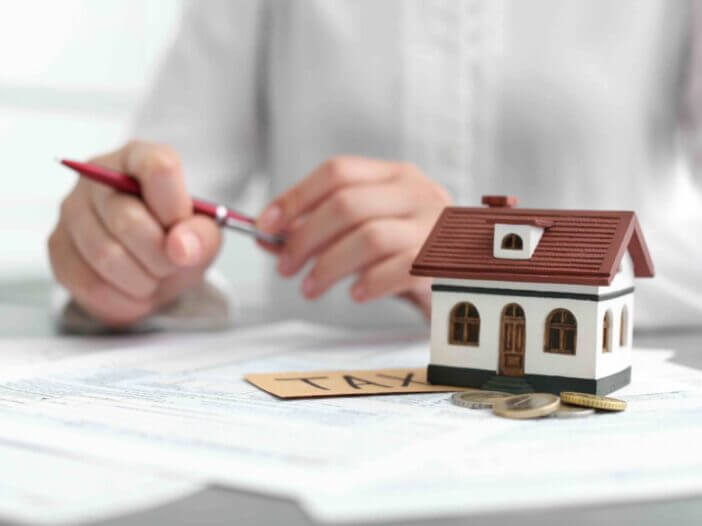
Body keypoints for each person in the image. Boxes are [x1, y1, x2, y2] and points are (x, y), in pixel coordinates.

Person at [48, 1, 702, 331]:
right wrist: (129, 255)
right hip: (298, 430)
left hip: (612, 418)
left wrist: (492, 255)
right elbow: (171, 193)